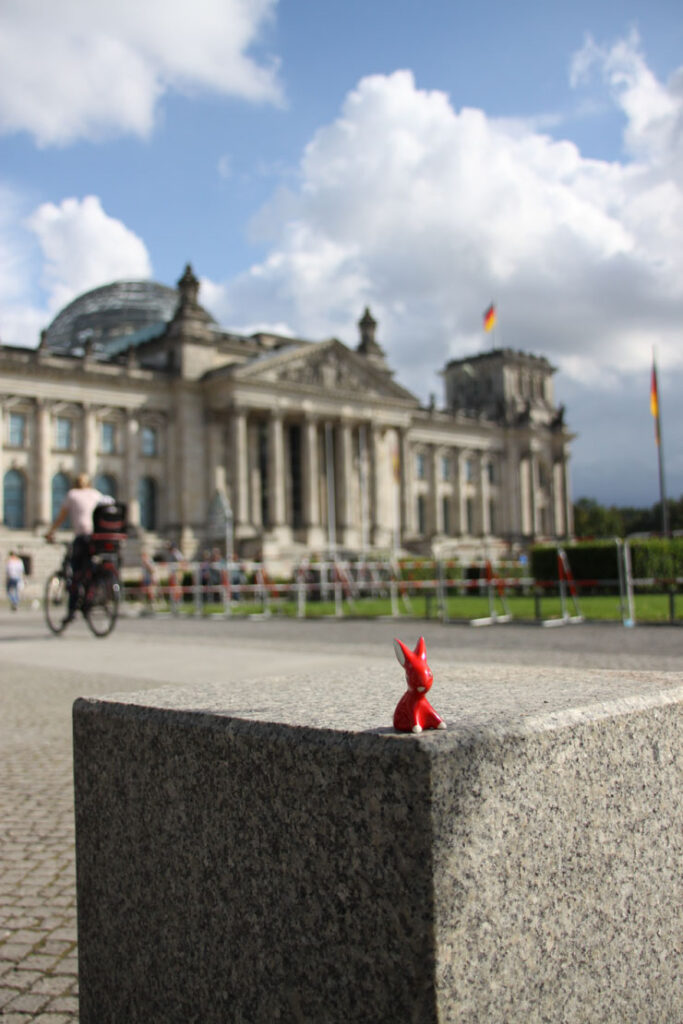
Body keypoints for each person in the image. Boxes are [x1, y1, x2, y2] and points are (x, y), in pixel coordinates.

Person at [46, 473, 114, 623]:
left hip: (83, 537)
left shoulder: (72, 494)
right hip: (99, 537)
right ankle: (93, 592)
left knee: (76, 572)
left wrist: (50, 532)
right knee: (90, 567)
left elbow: (61, 517)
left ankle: (71, 611)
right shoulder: (97, 494)